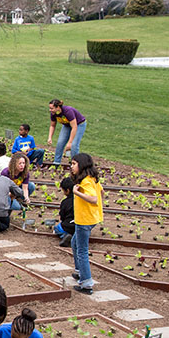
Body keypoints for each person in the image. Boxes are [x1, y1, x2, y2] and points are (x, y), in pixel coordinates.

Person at [70, 153, 103, 294]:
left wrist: (76, 193)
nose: (71, 167)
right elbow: (101, 193)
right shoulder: (92, 178)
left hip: (84, 220)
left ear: (81, 165)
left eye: (73, 164)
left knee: (82, 250)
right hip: (91, 218)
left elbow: (94, 198)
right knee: (74, 243)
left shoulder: (86, 181)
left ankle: (87, 283)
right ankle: (80, 271)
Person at [47, 99, 87, 165]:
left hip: (79, 125)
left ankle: (75, 164)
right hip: (67, 125)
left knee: (74, 145)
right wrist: (50, 137)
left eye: (52, 108)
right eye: (50, 108)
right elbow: (52, 126)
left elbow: (74, 127)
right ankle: (56, 163)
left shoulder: (68, 111)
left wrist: (70, 142)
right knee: (60, 142)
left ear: (58, 107)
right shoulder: (53, 114)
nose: (50, 110)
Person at [54, 176, 75, 247]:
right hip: (80, 226)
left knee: (57, 228)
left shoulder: (65, 202)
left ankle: (65, 236)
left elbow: (62, 216)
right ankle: (75, 237)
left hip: (68, 226)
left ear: (67, 190)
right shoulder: (81, 200)